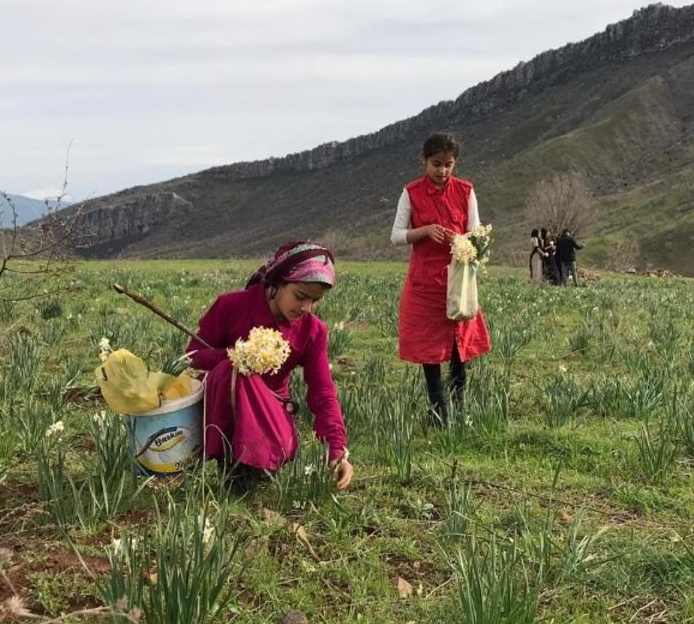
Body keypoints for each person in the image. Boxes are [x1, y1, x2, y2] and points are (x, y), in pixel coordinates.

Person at [187, 241, 353, 492]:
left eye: (314, 301)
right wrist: (235, 355)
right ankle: (232, 465)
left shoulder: (313, 331)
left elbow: (323, 391)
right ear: (277, 284)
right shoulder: (231, 307)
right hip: (223, 407)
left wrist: (337, 449)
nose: (306, 308)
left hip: (271, 409)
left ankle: (260, 462)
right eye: (300, 296)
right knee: (234, 371)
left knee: (238, 374)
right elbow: (193, 357)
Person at [391, 132, 492, 424]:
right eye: (436, 164)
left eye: (449, 164)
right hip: (424, 283)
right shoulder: (410, 192)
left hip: (457, 279)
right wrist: (424, 231)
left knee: (460, 343)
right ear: (424, 160)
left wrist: (465, 243)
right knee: (429, 348)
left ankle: (459, 405)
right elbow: (396, 235)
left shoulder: (466, 191)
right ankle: (439, 411)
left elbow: (475, 230)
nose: (442, 171)